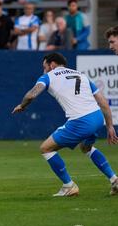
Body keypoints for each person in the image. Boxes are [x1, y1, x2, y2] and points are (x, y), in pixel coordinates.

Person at [12, 53, 118, 196]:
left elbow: (31, 95)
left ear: (52, 65)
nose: (44, 71)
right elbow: (103, 102)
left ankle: (69, 186)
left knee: (46, 148)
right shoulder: (81, 75)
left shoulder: (48, 76)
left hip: (81, 121)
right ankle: (114, 179)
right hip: (97, 118)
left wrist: (22, 105)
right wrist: (110, 126)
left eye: (45, 67)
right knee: (86, 147)